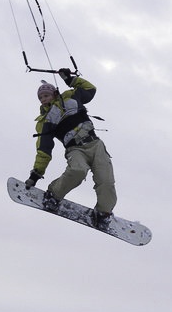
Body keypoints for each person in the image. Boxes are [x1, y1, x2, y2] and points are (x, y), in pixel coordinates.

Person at [25, 69, 117, 228]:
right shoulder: (45, 120)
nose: (43, 99)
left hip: (95, 145)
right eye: (40, 98)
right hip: (76, 150)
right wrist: (36, 174)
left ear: (54, 94)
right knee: (77, 170)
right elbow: (44, 150)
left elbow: (90, 89)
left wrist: (70, 79)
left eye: (45, 95)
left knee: (106, 181)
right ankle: (53, 195)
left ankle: (103, 213)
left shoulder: (71, 97)